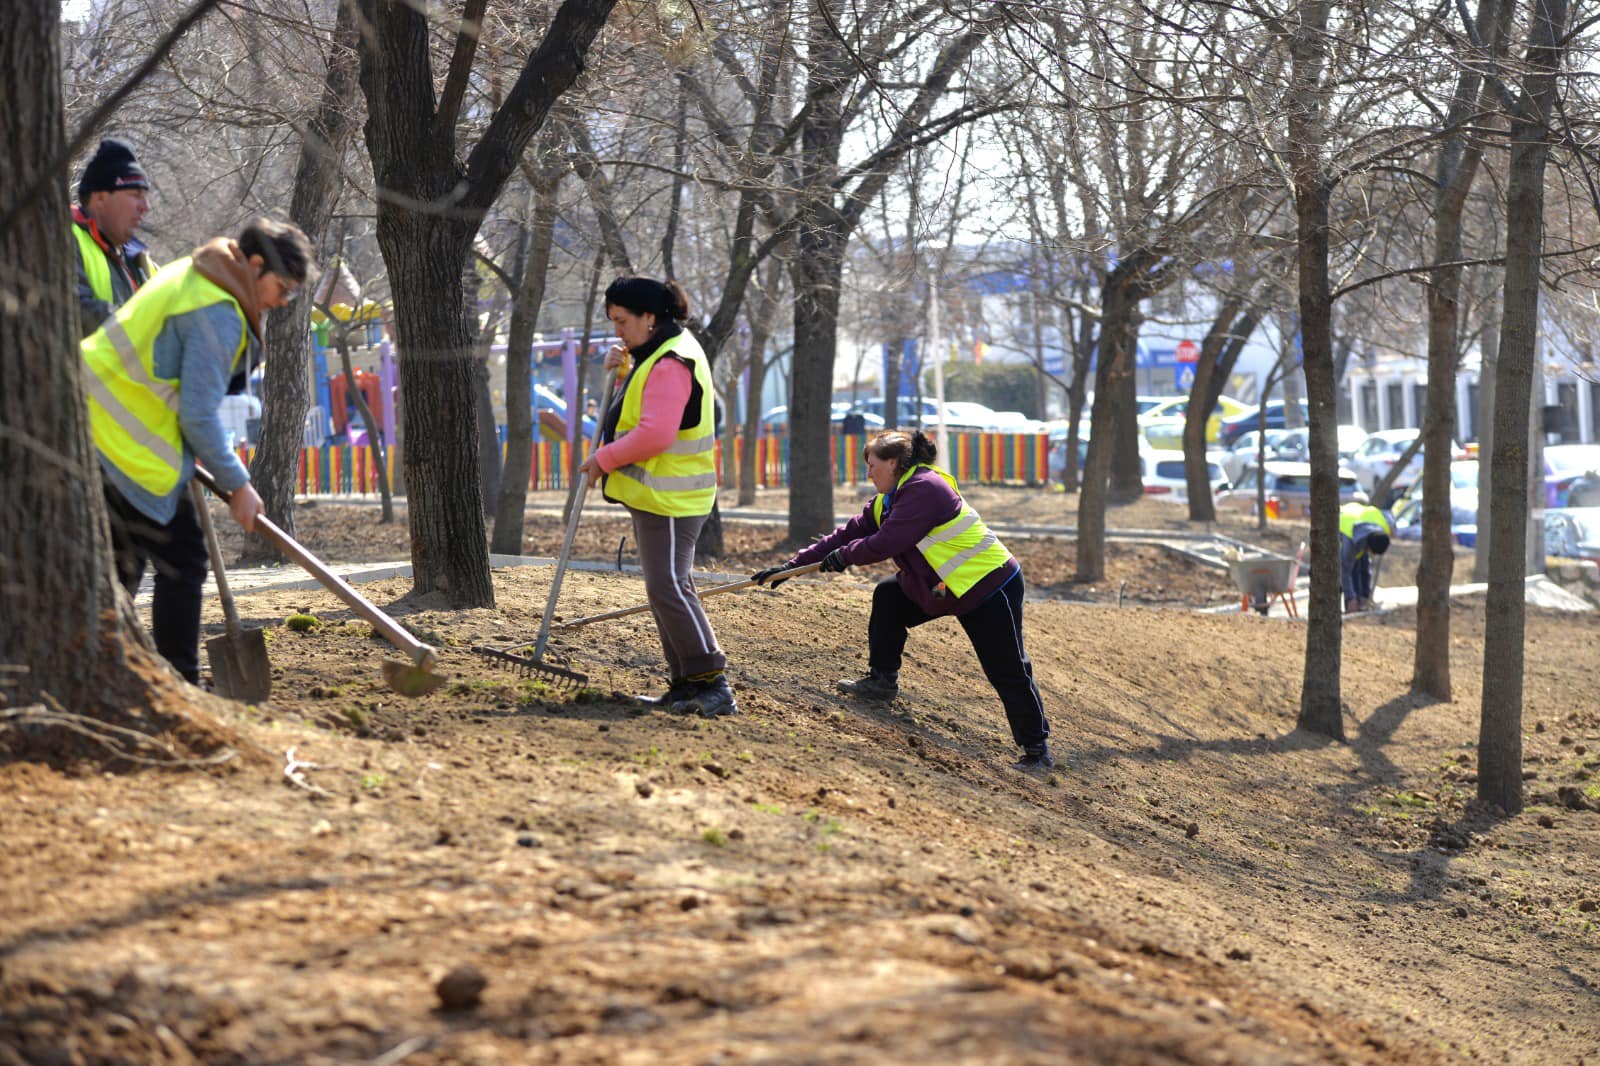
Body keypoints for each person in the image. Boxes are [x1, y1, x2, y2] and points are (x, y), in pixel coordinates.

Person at [84, 217, 317, 685]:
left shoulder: (193, 274)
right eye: (283, 288)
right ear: (255, 265)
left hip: (94, 424)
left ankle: (99, 677)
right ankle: (180, 681)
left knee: (121, 567)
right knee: (184, 559)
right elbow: (198, 415)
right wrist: (240, 485)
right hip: (124, 443)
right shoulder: (218, 313)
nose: (282, 302)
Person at [751, 430, 1054, 772]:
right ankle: (882, 681)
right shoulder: (888, 499)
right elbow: (848, 533)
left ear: (893, 462)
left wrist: (843, 557)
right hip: (943, 587)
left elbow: (887, 542)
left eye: (872, 465)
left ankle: (1036, 750)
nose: (868, 473)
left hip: (987, 585)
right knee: (890, 597)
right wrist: (792, 566)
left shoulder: (925, 489)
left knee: (1006, 668)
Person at [577, 277, 734, 717]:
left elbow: (656, 433)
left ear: (649, 317)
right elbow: (644, 406)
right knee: (666, 587)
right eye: (613, 322)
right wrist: (622, 374)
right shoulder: (661, 352)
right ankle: (685, 684)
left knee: (668, 586)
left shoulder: (671, 362)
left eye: (622, 321)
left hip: (670, 498)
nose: (617, 331)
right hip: (661, 496)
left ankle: (712, 683)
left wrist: (604, 458)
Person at [73, 138, 155, 338]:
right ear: (100, 197)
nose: (146, 207)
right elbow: (74, 311)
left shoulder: (138, 257)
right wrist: (143, 331)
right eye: (135, 195)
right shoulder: (66, 238)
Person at [1340, 501, 1393, 614]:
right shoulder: (1349, 542)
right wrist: (1350, 597)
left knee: (1364, 564)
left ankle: (1364, 598)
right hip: (1344, 519)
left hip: (1360, 516)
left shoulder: (1383, 529)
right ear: (1368, 547)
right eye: (1372, 552)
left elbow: (1366, 569)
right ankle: (1352, 603)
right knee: (1353, 569)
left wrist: (1367, 595)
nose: (1373, 555)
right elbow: (1344, 571)